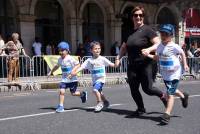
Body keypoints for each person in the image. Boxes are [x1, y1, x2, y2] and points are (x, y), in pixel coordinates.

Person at [115, 6, 167, 116]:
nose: (138, 17)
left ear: (143, 17)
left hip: (146, 64)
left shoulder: (148, 30)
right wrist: (117, 58)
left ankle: (163, 96)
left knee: (148, 89)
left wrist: (148, 49)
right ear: (132, 17)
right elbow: (124, 48)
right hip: (133, 65)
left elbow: (158, 43)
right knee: (133, 89)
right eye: (135, 15)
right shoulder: (129, 32)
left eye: (140, 15)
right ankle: (141, 109)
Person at [144, 24, 189, 124]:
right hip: (165, 74)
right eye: (162, 33)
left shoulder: (174, 46)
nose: (163, 36)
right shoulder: (159, 46)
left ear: (171, 35)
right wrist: (148, 55)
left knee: (170, 93)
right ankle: (183, 96)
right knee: (171, 90)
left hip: (175, 73)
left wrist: (185, 64)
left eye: (166, 34)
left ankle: (167, 114)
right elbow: (157, 58)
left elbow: (182, 53)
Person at [70, 41, 118, 112]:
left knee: (95, 90)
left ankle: (99, 103)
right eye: (95, 49)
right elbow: (82, 67)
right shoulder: (89, 60)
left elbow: (113, 65)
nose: (98, 50)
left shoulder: (102, 59)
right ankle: (105, 102)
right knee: (99, 92)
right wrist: (74, 72)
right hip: (94, 80)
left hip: (101, 79)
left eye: (99, 48)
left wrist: (117, 61)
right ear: (91, 50)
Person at [48, 41, 87, 113]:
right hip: (64, 80)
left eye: (63, 50)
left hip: (72, 80)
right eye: (60, 50)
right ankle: (61, 106)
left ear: (67, 50)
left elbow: (78, 65)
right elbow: (57, 66)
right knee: (62, 91)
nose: (61, 52)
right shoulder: (60, 59)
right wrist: (51, 71)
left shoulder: (70, 58)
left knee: (73, 93)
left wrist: (73, 71)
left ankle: (82, 94)